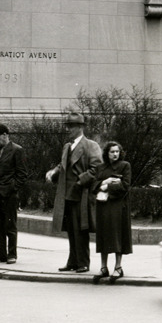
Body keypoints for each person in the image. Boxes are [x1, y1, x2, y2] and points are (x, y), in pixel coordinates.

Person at [47, 112, 102, 272]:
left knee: (81, 230)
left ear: (80, 127)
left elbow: (97, 169)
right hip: (67, 194)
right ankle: (73, 261)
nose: (68, 129)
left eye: (71, 126)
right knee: (71, 230)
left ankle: (83, 262)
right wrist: (53, 172)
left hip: (81, 194)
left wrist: (80, 182)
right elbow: (63, 165)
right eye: (67, 126)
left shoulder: (91, 145)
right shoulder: (67, 146)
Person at [0, 123, 28, 263]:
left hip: (8, 193)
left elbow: (22, 174)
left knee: (10, 225)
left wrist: (12, 188)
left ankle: (12, 254)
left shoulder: (17, 150)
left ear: (5, 135)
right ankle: (0, 253)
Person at [92, 141, 133, 281]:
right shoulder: (100, 167)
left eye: (117, 151)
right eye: (112, 152)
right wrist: (105, 182)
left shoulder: (125, 166)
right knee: (103, 235)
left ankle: (118, 267)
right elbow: (93, 185)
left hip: (118, 206)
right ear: (107, 153)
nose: (115, 154)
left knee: (117, 235)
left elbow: (125, 185)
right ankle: (103, 267)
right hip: (103, 205)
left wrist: (107, 186)